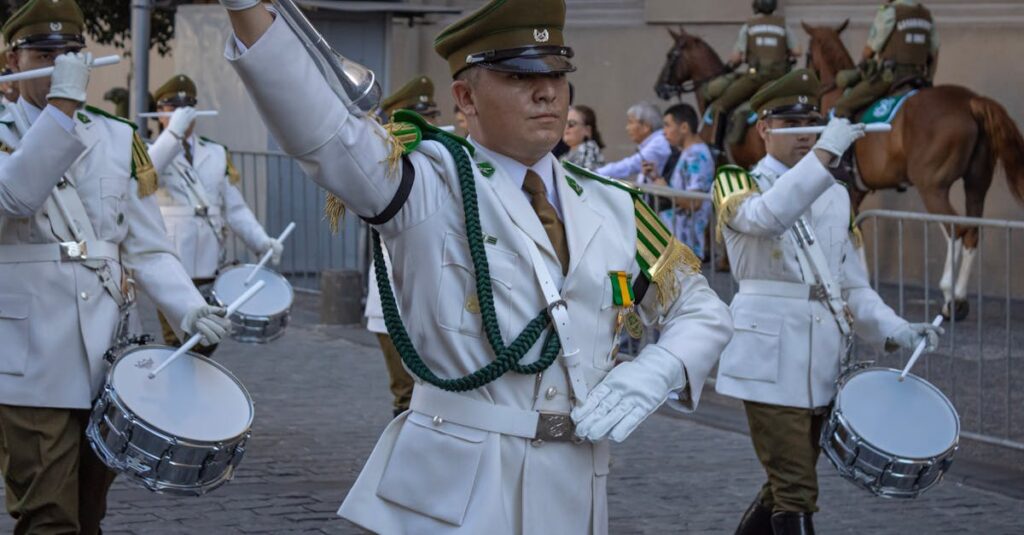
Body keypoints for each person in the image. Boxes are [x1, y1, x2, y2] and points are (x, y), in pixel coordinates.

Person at [217, 0, 734, 532]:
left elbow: (703, 311)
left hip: (577, 495)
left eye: (558, 74)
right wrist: (246, 9)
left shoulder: (614, 206)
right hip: (459, 500)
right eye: (518, 76)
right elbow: (321, 130)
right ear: (465, 97)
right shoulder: (427, 182)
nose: (547, 91)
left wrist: (657, 369)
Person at [0, 1, 230, 533]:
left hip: (104, 356)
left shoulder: (116, 136)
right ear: (13, 60)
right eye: (44, 52)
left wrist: (189, 308)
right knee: (48, 515)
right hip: (26, 360)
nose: (60, 62)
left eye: (71, 53)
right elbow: (15, 197)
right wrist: (60, 106)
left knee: (88, 514)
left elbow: (146, 247)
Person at [712, 69, 943, 535]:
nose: (805, 136)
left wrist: (895, 327)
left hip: (821, 362)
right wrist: (825, 153)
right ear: (764, 130)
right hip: (768, 361)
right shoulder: (736, 181)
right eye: (791, 126)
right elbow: (766, 218)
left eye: (813, 125)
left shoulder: (837, 196)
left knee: (783, 486)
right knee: (797, 489)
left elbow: (852, 286)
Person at [147, 74, 283, 356]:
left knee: (207, 343)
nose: (181, 113)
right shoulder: (150, 151)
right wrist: (173, 135)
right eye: (172, 107)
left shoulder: (216, 152)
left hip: (209, 262)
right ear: (159, 111)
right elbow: (149, 171)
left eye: (187, 106)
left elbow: (234, 208)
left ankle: (195, 397)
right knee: (179, 344)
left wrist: (261, 241)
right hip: (172, 264)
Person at [366, 74, 441, 417]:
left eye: (432, 115)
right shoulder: (383, 162)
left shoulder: (446, 158)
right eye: (418, 116)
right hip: (395, 295)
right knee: (408, 397)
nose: (430, 123)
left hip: (441, 296)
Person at [705, 0, 798, 152]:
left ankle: (716, 145)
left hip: (755, 79)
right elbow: (797, 51)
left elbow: (737, 57)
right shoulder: (783, 26)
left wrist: (729, 66)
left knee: (721, 104)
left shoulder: (749, 26)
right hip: (780, 80)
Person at [833, 0, 938, 118]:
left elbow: (871, 48)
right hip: (918, 77)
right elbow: (934, 52)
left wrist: (861, 67)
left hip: (890, 77)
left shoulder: (890, 12)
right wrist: (928, 79)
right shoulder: (926, 15)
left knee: (843, 105)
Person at [642, 103, 714, 261]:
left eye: (667, 126)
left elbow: (695, 202)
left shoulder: (696, 155)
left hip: (684, 247)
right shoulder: (689, 153)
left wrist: (665, 189)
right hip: (675, 245)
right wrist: (656, 178)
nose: (664, 132)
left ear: (684, 127)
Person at [595, 101, 671, 184]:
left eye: (630, 122)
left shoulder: (659, 143)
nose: (627, 128)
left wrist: (596, 173)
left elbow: (629, 166)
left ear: (646, 127)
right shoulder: (654, 142)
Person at [560, 104, 604, 171]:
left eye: (571, 124)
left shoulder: (588, 149)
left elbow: (584, 178)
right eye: (564, 123)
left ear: (587, 130)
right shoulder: (567, 154)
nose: (566, 127)